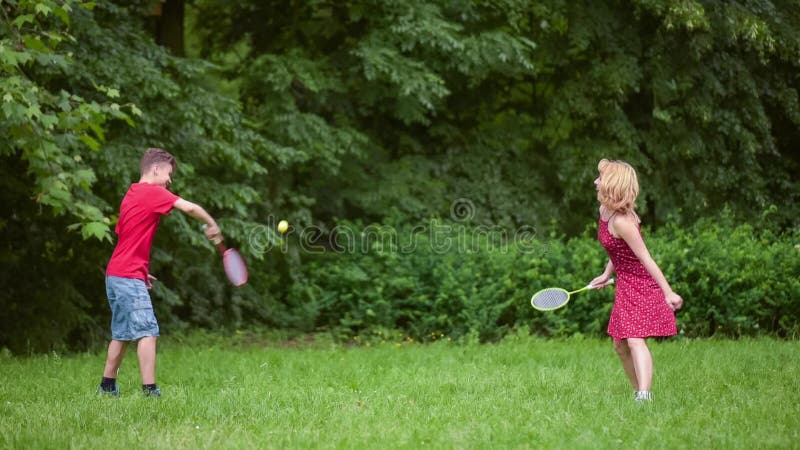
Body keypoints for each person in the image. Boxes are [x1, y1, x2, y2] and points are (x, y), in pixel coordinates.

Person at [98, 148, 221, 398]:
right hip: (127, 275)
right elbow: (189, 208)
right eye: (168, 174)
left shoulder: (131, 193)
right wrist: (211, 224)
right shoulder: (152, 192)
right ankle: (150, 391)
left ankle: (107, 387)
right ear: (155, 169)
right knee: (147, 330)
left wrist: (141, 271)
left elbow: (126, 238)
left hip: (117, 274)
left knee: (121, 333)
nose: (169, 181)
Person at [590, 158, 683, 402]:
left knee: (634, 339)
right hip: (624, 282)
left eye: (600, 179)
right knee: (619, 346)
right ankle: (638, 393)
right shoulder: (604, 212)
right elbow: (618, 250)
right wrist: (606, 274)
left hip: (642, 283)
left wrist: (668, 292)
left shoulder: (624, 221)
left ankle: (644, 395)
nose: (595, 182)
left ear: (612, 185)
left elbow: (645, 258)